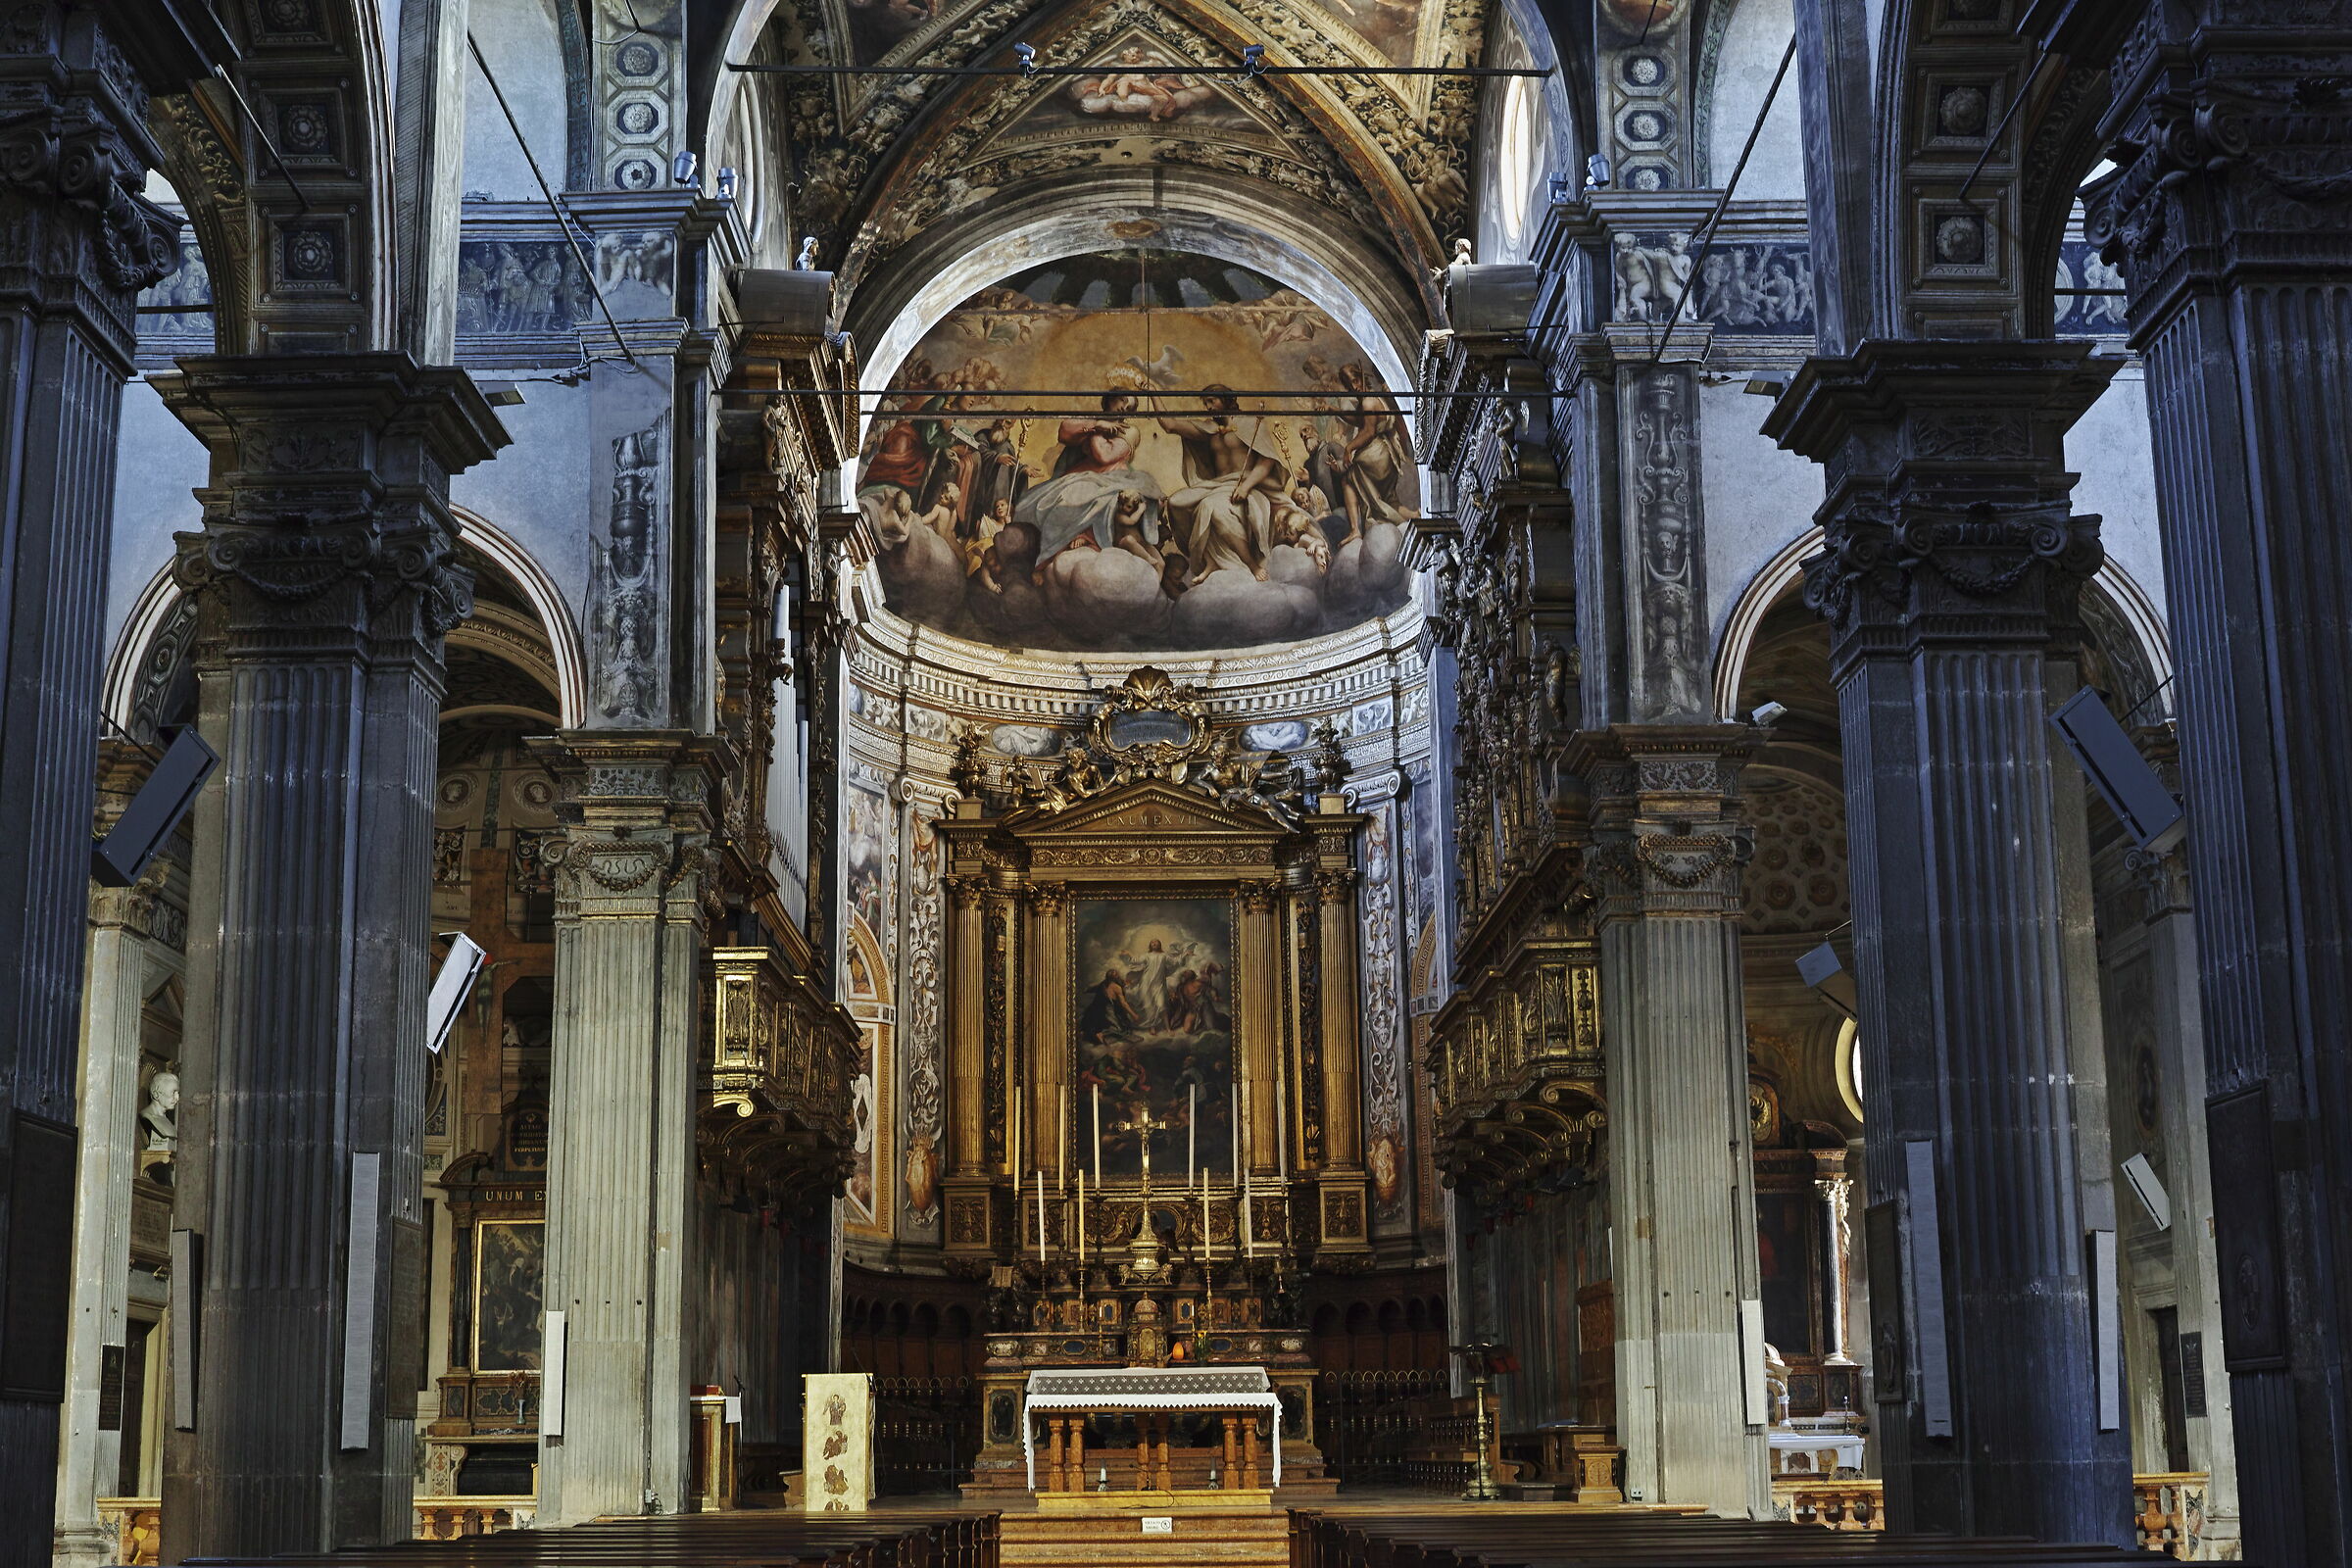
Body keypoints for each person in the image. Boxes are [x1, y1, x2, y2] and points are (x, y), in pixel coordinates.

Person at [1157, 387, 1289, 583]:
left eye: (1211, 401)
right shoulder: (1210, 430)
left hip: (1245, 483)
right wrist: (1153, 392)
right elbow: (1170, 425)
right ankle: (1209, 560)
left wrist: (1246, 487)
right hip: (1217, 485)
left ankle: (1252, 564)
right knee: (1176, 502)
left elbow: (1266, 461)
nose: (1208, 407)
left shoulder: (1251, 423)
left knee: (1211, 507)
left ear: (1227, 400)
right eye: (1205, 403)